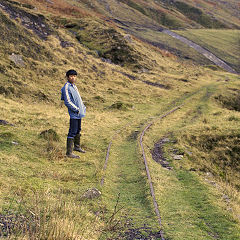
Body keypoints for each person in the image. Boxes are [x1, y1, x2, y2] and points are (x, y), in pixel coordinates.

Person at [61, 69, 86, 158]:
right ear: (67, 77)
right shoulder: (66, 87)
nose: (73, 78)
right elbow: (67, 101)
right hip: (74, 113)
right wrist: (76, 109)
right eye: (71, 76)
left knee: (78, 129)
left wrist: (83, 107)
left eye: (74, 76)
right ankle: (69, 153)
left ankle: (77, 147)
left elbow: (78, 98)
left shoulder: (74, 86)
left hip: (79, 113)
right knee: (72, 131)